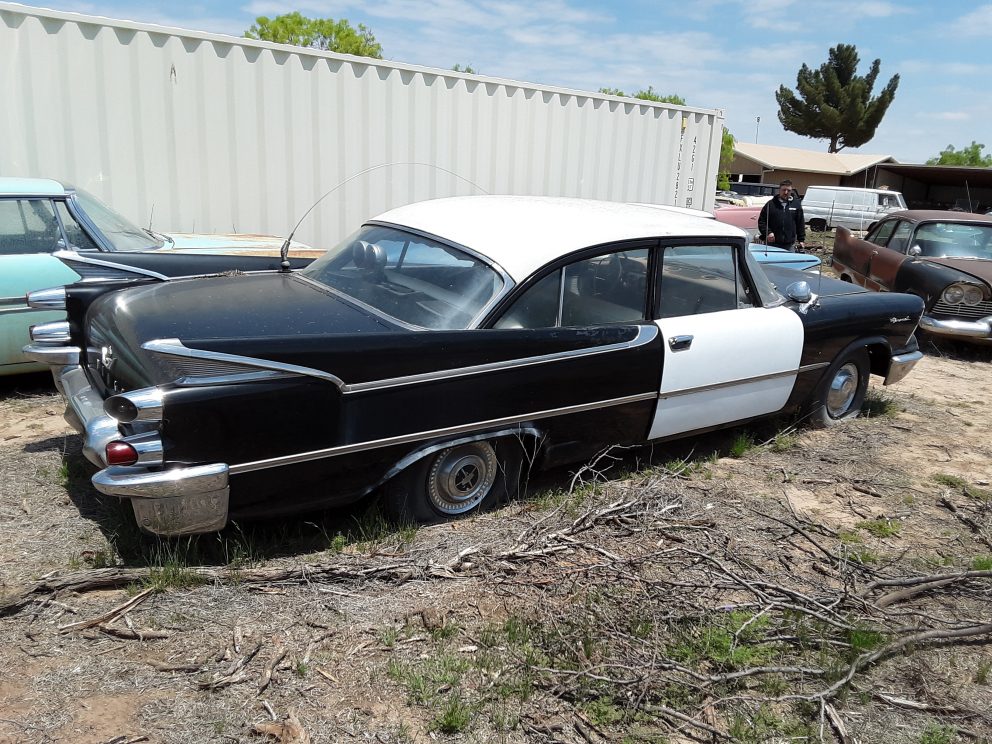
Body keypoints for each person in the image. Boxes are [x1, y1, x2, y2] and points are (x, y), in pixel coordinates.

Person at [758, 180, 805, 251]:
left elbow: (800, 223)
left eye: (788, 190)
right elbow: (762, 222)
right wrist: (768, 233)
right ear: (779, 190)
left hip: (789, 245)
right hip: (772, 244)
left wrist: (801, 240)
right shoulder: (771, 204)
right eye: (784, 190)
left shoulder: (796, 205)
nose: (786, 192)